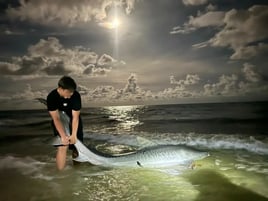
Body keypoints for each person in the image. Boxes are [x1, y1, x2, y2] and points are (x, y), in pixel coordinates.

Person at [47, 76, 83, 170]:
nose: (71, 95)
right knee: (63, 146)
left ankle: (77, 171)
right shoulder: (51, 97)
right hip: (59, 120)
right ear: (60, 89)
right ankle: (61, 174)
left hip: (73, 119)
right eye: (68, 92)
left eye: (72, 92)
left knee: (77, 146)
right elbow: (56, 119)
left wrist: (74, 135)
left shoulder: (76, 95)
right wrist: (63, 136)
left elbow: (75, 117)